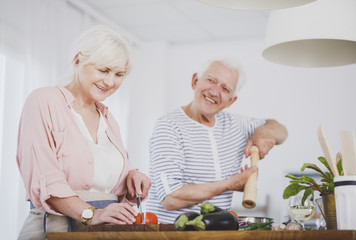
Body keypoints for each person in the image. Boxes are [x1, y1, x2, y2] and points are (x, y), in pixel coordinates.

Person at [16, 25, 151, 239]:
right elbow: (46, 179)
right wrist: (91, 214)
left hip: (101, 233)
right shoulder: (43, 101)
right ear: (78, 60)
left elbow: (106, 180)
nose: (110, 82)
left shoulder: (109, 119)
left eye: (119, 74)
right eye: (103, 70)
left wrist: (132, 177)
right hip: (55, 229)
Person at [146, 57, 288, 223]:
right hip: (170, 234)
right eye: (211, 80)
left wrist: (263, 133)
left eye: (225, 89)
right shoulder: (169, 126)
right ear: (195, 81)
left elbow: (280, 130)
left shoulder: (236, 125)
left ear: (231, 101)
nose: (214, 92)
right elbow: (170, 198)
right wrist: (230, 184)